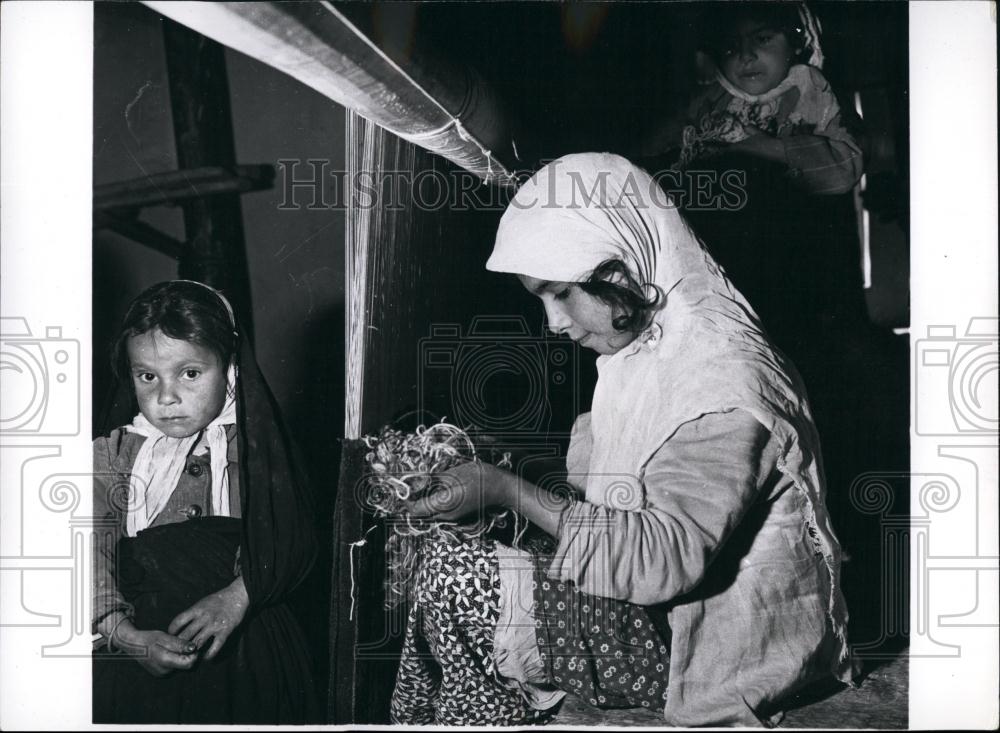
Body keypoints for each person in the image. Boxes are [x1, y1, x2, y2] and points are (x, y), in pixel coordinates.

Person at [405, 153, 854, 727]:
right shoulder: (647, 350)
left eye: (559, 293)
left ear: (617, 273)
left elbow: (664, 560)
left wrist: (504, 490)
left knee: (455, 575)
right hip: (659, 615)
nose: (554, 323)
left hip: (709, 647)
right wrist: (499, 492)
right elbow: (603, 492)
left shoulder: (722, 383)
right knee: (442, 548)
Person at [92, 280, 319, 724]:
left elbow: (293, 538)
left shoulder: (260, 450)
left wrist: (238, 598)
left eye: (190, 373)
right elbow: (84, 551)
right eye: (147, 376)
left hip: (249, 659)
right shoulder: (114, 454)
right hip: (138, 662)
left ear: (230, 367)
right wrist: (126, 635)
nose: (166, 397)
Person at [647, 1, 862, 196]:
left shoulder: (812, 92)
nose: (746, 56)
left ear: (796, 40)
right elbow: (649, 150)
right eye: (731, 46)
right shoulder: (704, 97)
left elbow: (844, 173)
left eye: (763, 39)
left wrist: (771, 149)